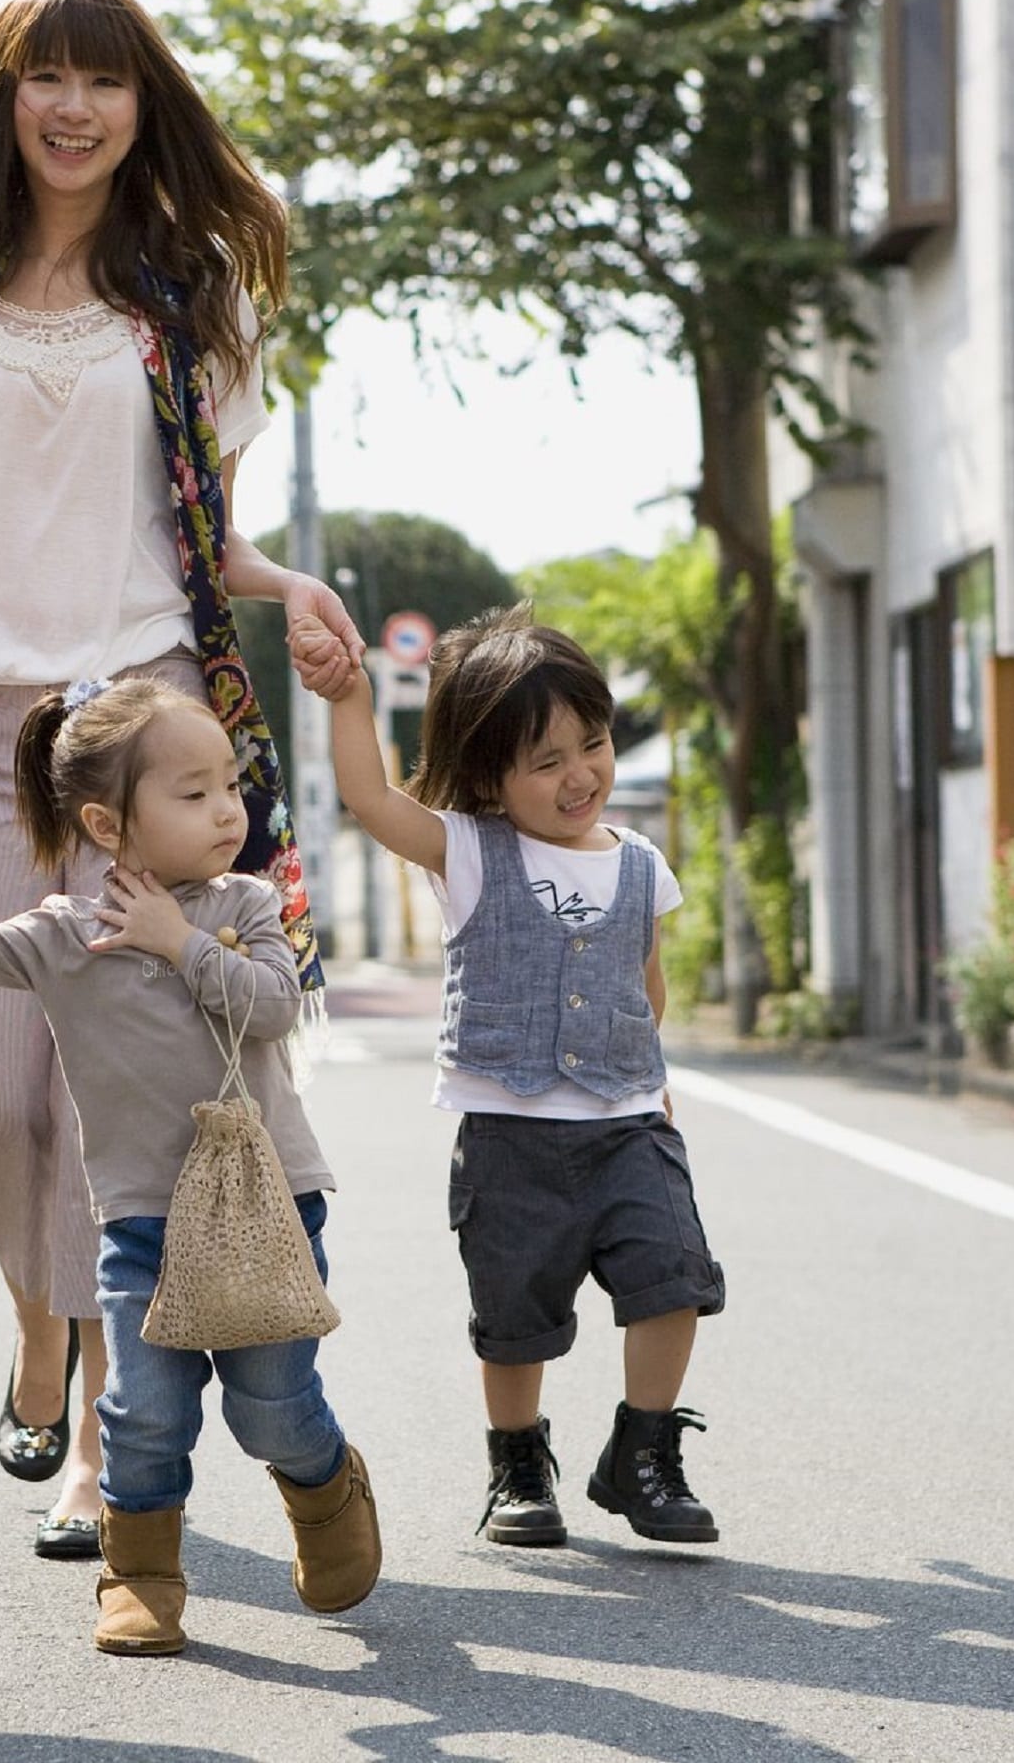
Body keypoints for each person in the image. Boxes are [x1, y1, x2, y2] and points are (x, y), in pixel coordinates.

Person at [0, 0, 364, 1560]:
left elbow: (206, 531)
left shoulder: (190, 301)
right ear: (5, 97)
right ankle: (41, 1330)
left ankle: (106, 1452)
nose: (75, 106)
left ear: (140, 106)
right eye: (44, 76)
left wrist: (289, 592)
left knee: (131, 1082)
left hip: (145, 722)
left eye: (103, 82)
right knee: (1, 1089)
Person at [0, 677, 377, 1655]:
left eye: (230, 785)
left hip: (268, 1202)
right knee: (143, 1410)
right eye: (193, 792)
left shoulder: (246, 901)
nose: (228, 809)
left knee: (270, 1407)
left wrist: (182, 941)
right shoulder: (63, 933)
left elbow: (276, 1007)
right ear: (109, 821)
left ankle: (326, 1488)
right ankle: (143, 1575)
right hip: (141, 1221)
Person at [297, 604, 728, 1548]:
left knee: (676, 1278)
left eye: (595, 745)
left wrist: (648, 1083)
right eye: (547, 761)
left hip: (628, 1123)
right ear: (492, 775)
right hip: (510, 1131)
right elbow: (371, 799)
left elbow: (642, 985)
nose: (582, 776)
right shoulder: (471, 854)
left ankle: (644, 1453)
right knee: (514, 1315)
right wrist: (351, 697)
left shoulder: (642, 865)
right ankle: (519, 1468)